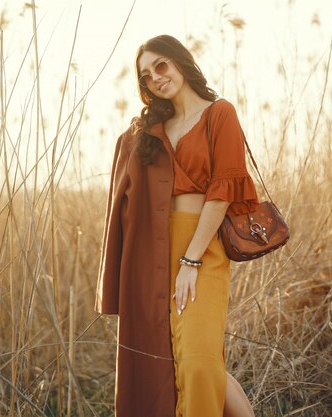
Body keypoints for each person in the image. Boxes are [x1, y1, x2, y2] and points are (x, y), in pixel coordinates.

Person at [95, 34, 258, 417]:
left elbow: (221, 193)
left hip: (201, 248)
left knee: (199, 361)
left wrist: (192, 261)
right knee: (167, 362)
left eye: (161, 65)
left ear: (180, 61)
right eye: (146, 75)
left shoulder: (220, 113)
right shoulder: (149, 132)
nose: (156, 77)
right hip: (152, 251)